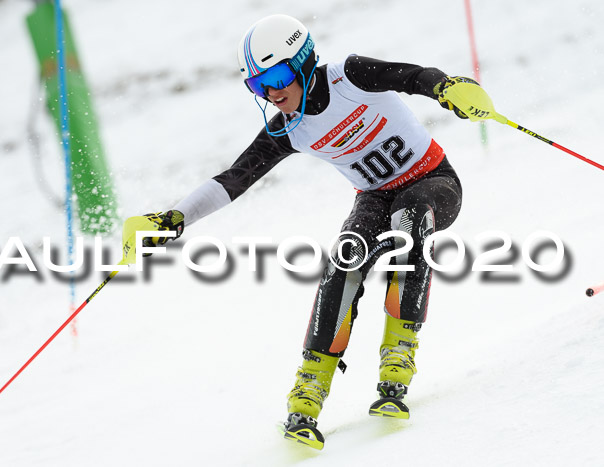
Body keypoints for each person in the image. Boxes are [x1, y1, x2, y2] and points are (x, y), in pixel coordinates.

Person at [129, 14, 473, 448]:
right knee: (344, 258)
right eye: (258, 85)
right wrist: (173, 219)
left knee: (410, 216)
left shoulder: (350, 76)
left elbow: (412, 77)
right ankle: (308, 394)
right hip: (373, 196)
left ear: (304, 61)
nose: (272, 93)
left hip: (433, 181)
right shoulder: (288, 128)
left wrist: (446, 88)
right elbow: (235, 178)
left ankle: (397, 363)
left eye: (276, 76)